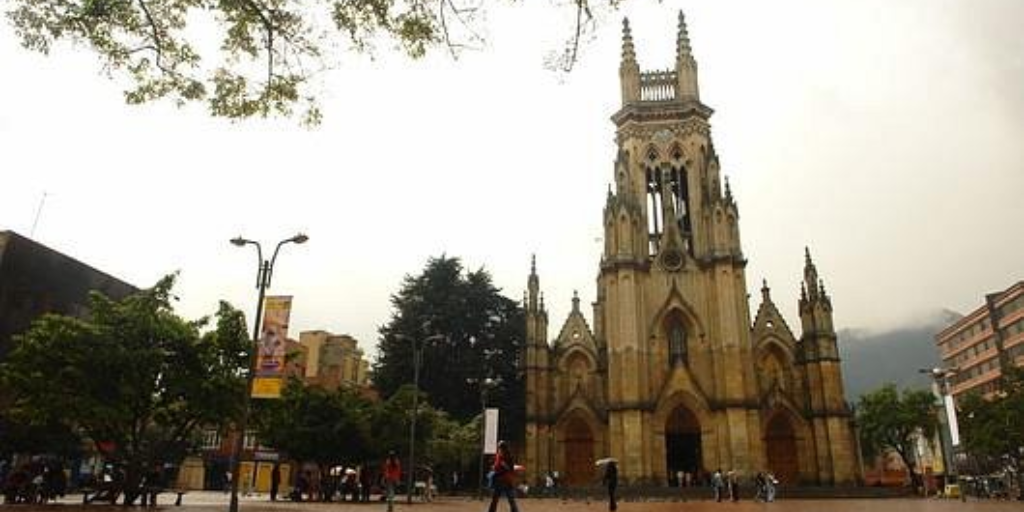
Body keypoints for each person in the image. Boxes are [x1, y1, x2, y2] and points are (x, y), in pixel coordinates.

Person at [487, 440, 520, 512]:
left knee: (510, 498)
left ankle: (515, 510)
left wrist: (504, 465)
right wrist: (494, 467)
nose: (498, 449)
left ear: (503, 448)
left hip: (506, 479)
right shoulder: (498, 456)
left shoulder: (509, 456)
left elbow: (511, 468)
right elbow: (496, 466)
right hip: (499, 480)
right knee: (495, 498)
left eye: (500, 448)